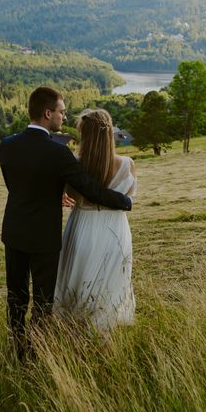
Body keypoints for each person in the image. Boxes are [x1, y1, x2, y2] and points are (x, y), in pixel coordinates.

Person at [0, 87, 132, 361]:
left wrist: (51, 195)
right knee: (43, 301)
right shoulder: (58, 153)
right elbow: (90, 189)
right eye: (61, 111)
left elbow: (17, 186)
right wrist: (124, 201)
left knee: (16, 296)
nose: (64, 116)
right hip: (44, 239)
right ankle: (36, 354)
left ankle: (18, 349)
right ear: (48, 113)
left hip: (13, 231)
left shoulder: (8, 144)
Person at [54, 109, 136, 336]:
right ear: (110, 133)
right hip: (115, 230)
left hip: (83, 227)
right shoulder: (127, 164)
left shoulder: (74, 164)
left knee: (78, 286)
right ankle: (103, 342)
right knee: (108, 289)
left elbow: (72, 196)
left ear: (84, 135)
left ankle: (74, 345)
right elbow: (128, 196)